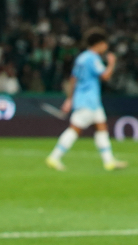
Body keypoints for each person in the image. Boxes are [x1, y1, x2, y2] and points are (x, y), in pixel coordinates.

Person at [46, 30, 127, 171]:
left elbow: (73, 79)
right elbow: (105, 76)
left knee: (101, 128)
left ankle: (109, 161)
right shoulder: (92, 59)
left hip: (88, 100)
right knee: (75, 129)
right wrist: (111, 63)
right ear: (99, 44)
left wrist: (70, 99)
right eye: (104, 43)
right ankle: (54, 157)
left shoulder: (81, 58)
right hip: (88, 101)